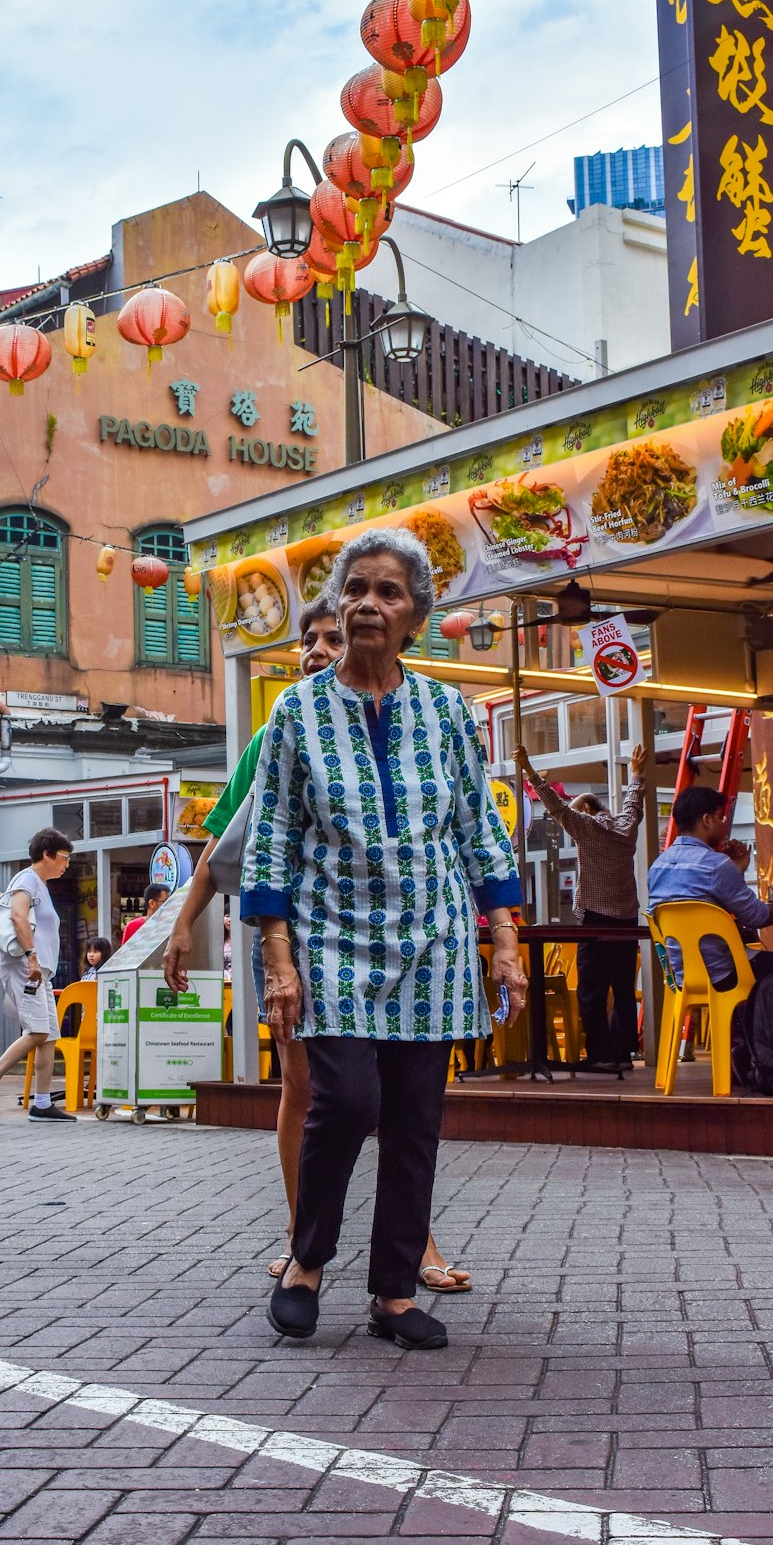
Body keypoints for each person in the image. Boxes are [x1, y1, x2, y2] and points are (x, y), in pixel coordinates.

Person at [246, 528, 527, 1351]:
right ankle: (306, 1263)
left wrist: (502, 941)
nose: (369, 604)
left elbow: (481, 829)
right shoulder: (295, 711)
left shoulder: (446, 710)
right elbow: (271, 840)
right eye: (357, 589)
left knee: (415, 1117)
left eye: (389, 593)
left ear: (414, 615)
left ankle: (393, 1294)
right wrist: (278, 957)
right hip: (332, 937)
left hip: (434, 943)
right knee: (347, 1099)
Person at [163, 599, 471, 1292]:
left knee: (399, 1099)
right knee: (307, 1090)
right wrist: (184, 923)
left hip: (396, 945)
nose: (315, 649)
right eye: (309, 640)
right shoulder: (282, 729)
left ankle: (414, 1244)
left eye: (332, 637)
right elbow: (228, 841)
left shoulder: (423, 724)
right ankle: (307, 1246)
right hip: (295, 941)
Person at [516, 744, 647, 1071]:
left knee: (591, 993)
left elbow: (558, 808)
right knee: (624, 992)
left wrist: (530, 771)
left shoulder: (587, 829)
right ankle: (623, 1055)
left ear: (586, 812)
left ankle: (602, 1055)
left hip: (596, 920)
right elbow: (633, 801)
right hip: (628, 921)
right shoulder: (626, 828)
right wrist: (635, 773)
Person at [647, 785, 773, 988]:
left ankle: (742, 1019)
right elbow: (757, 916)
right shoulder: (716, 864)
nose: (722, 825)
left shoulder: (657, 867)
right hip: (725, 973)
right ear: (707, 820)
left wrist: (737, 869)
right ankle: (754, 1019)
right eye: (720, 818)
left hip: (683, 978)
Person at [0, 828, 77, 1123]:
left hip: (37, 971)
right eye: (64, 857)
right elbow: (18, 915)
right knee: (38, 1031)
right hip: (25, 967)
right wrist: (32, 956)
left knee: (49, 1036)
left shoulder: (38, 883)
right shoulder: (27, 878)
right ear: (47, 854)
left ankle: (41, 1103)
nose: (67, 864)